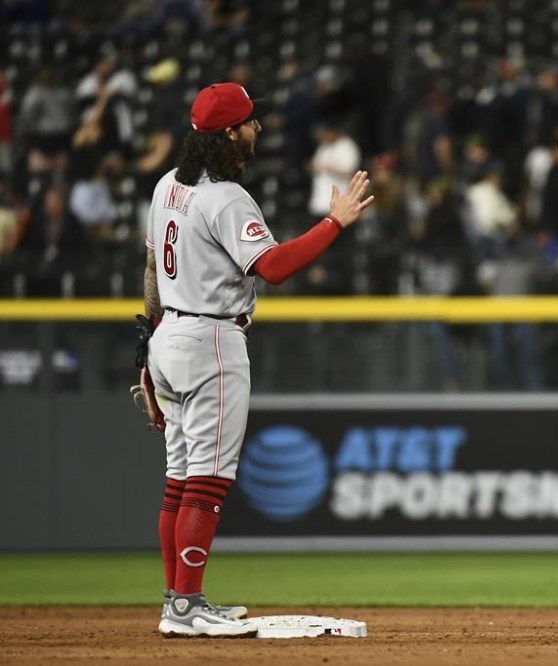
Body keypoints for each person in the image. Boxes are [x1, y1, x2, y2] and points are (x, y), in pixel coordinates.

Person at [143, 82, 373, 637]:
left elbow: (152, 267)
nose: (258, 128)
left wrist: (144, 349)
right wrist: (334, 222)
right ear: (228, 133)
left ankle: (178, 601)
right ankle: (186, 606)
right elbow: (271, 267)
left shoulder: (167, 186)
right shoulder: (226, 197)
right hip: (211, 340)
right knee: (208, 481)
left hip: (168, 332)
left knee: (180, 479)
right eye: (249, 121)